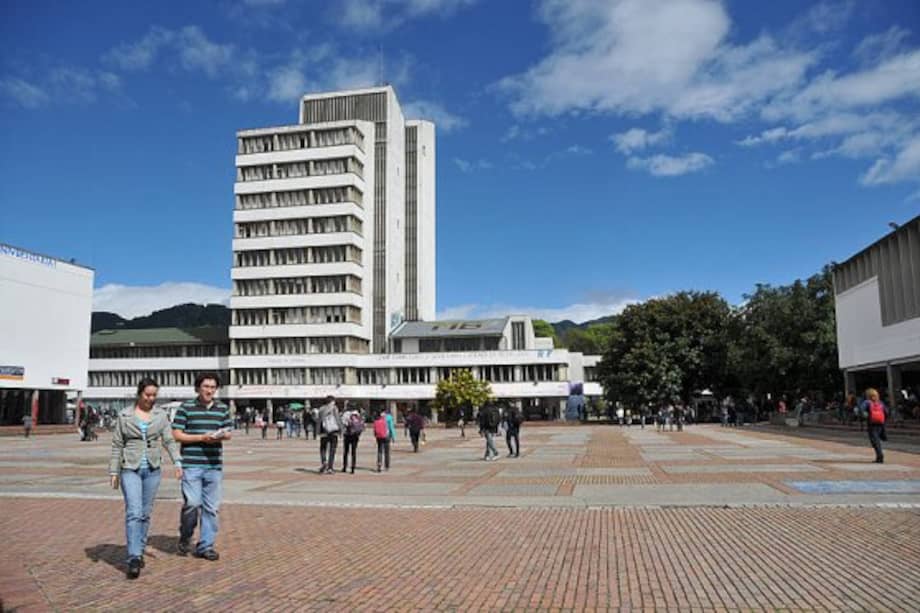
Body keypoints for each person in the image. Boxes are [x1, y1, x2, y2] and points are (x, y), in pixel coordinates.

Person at [109, 378, 182, 579]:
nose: (151, 398)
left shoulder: (161, 415)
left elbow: (168, 440)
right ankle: (133, 557)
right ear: (139, 394)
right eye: (147, 394)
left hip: (152, 469)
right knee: (134, 511)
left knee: (145, 513)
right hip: (129, 469)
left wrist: (177, 462)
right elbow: (117, 445)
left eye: (154, 395)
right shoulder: (124, 415)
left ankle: (139, 549)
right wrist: (113, 472)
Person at [172, 372, 231, 562]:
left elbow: (228, 432)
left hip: (213, 465)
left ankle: (206, 545)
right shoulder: (186, 407)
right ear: (198, 388)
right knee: (192, 504)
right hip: (191, 464)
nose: (210, 391)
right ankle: (186, 534)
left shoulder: (222, 408)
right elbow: (177, 434)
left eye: (213, 387)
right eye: (206, 387)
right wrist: (201, 438)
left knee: (211, 508)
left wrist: (221, 435)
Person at [318, 396, 341, 474]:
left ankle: (324, 461)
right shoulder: (334, 408)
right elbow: (338, 419)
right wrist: (341, 429)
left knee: (323, 448)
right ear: (331, 401)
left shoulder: (321, 409)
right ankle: (330, 467)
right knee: (332, 449)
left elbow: (318, 421)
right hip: (333, 431)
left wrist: (318, 431)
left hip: (323, 431)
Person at [864, 388, 889, 463]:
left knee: (875, 441)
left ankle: (880, 456)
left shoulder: (867, 402)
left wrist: (865, 416)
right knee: (877, 439)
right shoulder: (880, 403)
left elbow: (861, 410)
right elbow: (886, 412)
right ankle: (879, 455)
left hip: (872, 424)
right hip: (881, 423)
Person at [341, 405, 363, 473]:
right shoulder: (357, 414)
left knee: (346, 452)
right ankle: (353, 468)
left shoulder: (345, 414)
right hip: (355, 436)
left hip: (347, 434)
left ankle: (345, 467)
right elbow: (361, 424)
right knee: (353, 452)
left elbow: (343, 423)